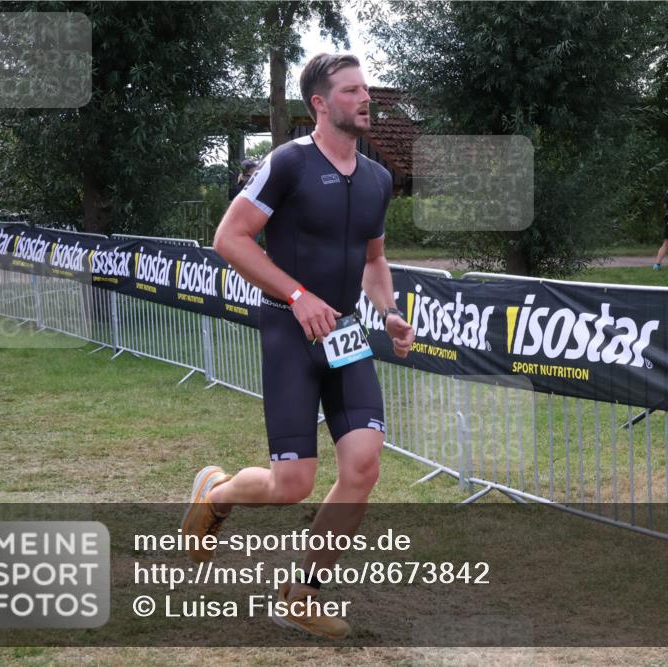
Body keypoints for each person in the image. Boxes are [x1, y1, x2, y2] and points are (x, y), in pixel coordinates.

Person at [181, 54, 414, 639]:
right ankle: (217, 493)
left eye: (367, 89)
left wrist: (388, 313)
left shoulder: (379, 178)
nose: (366, 99)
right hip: (289, 329)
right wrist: (298, 294)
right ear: (320, 102)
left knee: (362, 467)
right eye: (352, 91)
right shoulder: (288, 163)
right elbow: (229, 238)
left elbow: (375, 259)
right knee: (293, 486)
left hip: (345, 336)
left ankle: (301, 592)